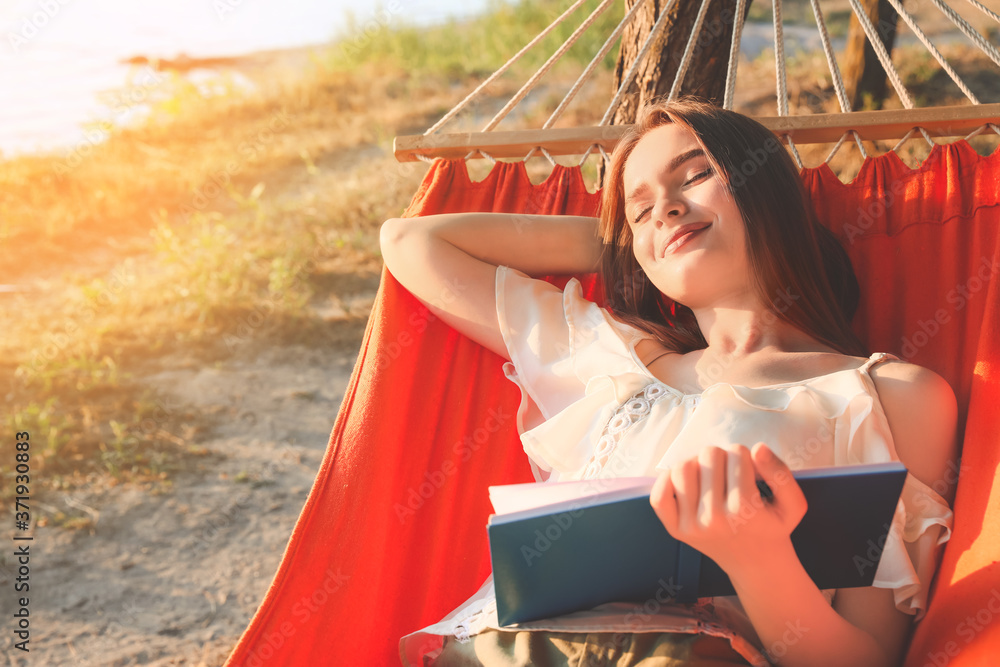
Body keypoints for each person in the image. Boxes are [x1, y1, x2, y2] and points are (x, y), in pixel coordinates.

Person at [381, 97, 958, 667]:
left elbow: (867, 658)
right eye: (639, 209)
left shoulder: (891, 396)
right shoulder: (609, 359)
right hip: (499, 652)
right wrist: (624, 246)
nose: (665, 209)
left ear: (770, 191)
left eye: (697, 175)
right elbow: (412, 243)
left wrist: (758, 560)